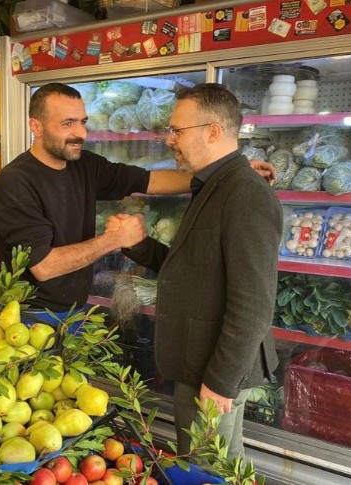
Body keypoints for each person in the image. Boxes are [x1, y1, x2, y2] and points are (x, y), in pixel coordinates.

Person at [0, 82, 274, 319]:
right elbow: (44, 266)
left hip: (73, 309)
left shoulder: (84, 165)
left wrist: (224, 171)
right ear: (36, 127)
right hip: (29, 314)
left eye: (83, 122)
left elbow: (150, 180)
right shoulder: (14, 184)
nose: (81, 133)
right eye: (67, 123)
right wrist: (115, 239)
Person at [116, 83, 282, 461]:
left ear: (213, 131)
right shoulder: (212, 186)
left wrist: (220, 381)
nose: (169, 140)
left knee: (207, 467)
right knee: (219, 465)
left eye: (177, 131)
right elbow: (194, 268)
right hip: (199, 362)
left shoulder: (245, 193)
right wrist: (138, 244)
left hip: (213, 370)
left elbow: (254, 304)